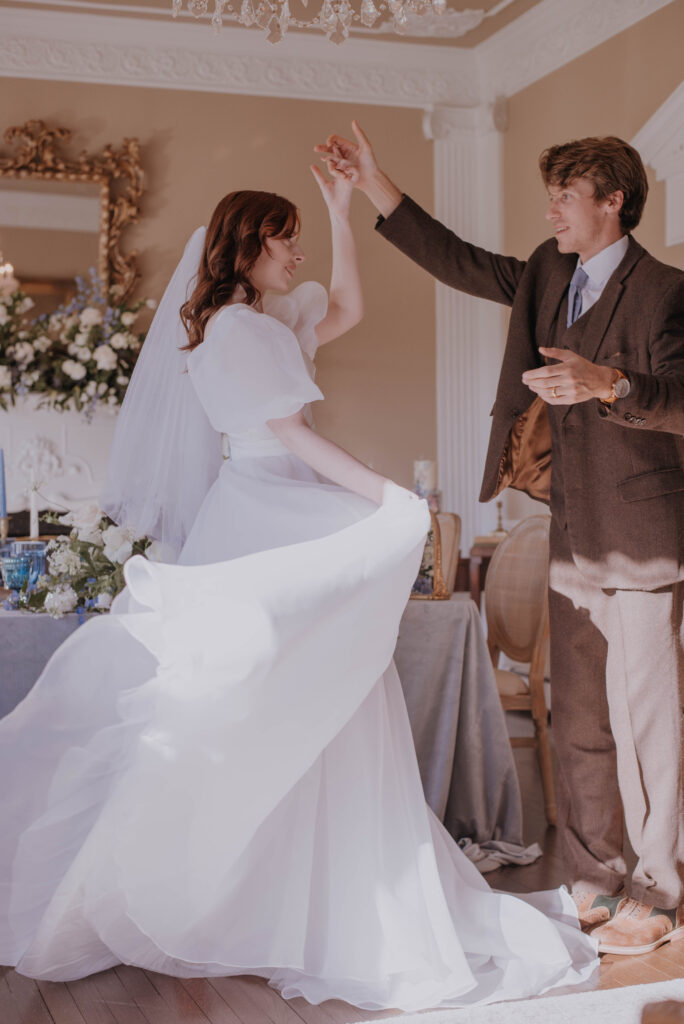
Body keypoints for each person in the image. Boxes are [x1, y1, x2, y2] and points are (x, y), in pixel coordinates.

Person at [0, 168, 598, 1010]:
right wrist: (386, 497)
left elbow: (346, 307)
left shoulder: (251, 320)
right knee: (288, 702)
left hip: (269, 506)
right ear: (248, 247)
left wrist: (341, 209)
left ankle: (300, 900)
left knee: (328, 700)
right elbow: (290, 434)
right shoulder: (241, 330)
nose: (299, 252)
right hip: (268, 511)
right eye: (287, 238)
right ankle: (264, 901)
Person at [316, 123, 684, 956]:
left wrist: (611, 382)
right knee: (579, 716)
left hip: (647, 538)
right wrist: (376, 184)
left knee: (651, 722)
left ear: (613, 201)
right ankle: (595, 876)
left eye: (566, 195)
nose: (551, 209)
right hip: (571, 530)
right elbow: (462, 261)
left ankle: (661, 889)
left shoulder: (667, 292)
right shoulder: (548, 273)